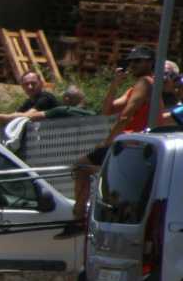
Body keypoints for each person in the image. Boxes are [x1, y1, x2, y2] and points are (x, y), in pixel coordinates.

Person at [58, 45, 158, 238]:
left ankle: (79, 217)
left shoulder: (145, 82)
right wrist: (115, 84)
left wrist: (108, 142)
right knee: (96, 172)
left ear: (150, 63)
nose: (133, 65)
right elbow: (107, 110)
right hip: (133, 142)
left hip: (131, 142)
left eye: (138, 61)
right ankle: (94, 214)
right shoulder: (135, 87)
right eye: (131, 61)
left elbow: (126, 116)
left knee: (81, 167)